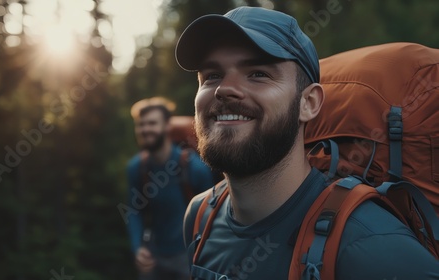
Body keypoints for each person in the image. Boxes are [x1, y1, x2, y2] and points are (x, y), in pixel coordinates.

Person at [175, 6, 439, 280]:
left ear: (308, 103)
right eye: (212, 76)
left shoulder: (372, 246)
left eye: (257, 74)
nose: (224, 88)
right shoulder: (200, 217)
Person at [125, 97, 214, 280]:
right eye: (140, 124)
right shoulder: (137, 168)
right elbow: (134, 210)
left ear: (167, 126)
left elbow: (212, 214)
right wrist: (137, 247)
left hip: (188, 257)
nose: (145, 129)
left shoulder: (194, 168)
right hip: (154, 255)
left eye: (152, 123)